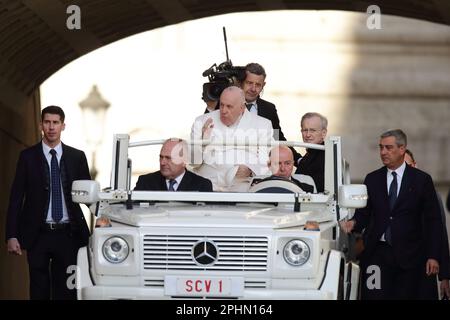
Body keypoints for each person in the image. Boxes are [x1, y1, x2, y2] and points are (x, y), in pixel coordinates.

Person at [341, 129, 443, 299]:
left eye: (388, 148)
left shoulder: (421, 180)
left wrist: (433, 256)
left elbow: (433, 221)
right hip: (378, 255)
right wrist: (353, 223)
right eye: (381, 147)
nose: (383, 152)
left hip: (411, 257)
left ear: (402, 148)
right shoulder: (372, 179)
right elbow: (364, 213)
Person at [5, 106, 91, 300]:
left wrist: (103, 218)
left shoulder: (76, 157)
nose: (51, 127)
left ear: (63, 126)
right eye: (47, 122)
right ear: (40, 125)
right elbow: (16, 197)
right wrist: (11, 235)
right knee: (38, 290)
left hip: (68, 235)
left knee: (67, 292)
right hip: (38, 235)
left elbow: (88, 195)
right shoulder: (27, 157)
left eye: (55, 122)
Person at [204, 63, 299, 161]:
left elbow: (277, 137)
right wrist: (211, 107)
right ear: (241, 83)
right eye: (249, 83)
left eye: (258, 85)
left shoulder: (269, 109)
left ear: (263, 85)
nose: (253, 89)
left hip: (257, 168)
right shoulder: (223, 103)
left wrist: (299, 160)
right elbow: (204, 131)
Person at [191, 86, 273, 191]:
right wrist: (202, 141)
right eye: (221, 105)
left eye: (229, 106)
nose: (224, 110)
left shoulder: (263, 124)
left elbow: (268, 159)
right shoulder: (201, 121)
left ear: (242, 107)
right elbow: (193, 162)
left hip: (243, 189)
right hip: (208, 187)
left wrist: (251, 169)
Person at [404, 149, 450, 299]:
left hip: (424, 268)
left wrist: (445, 277)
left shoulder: (431, 194)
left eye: (408, 166)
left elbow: (440, 233)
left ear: (415, 165)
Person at [135, 138, 213, 192]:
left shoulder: (202, 186)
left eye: (168, 158)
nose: (162, 162)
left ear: (184, 161)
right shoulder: (145, 182)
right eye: (161, 157)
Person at [294, 112, 327, 192]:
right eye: (305, 130)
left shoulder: (326, 158)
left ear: (323, 133)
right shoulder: (309, 155)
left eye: (312, 130)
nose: (308, 135)